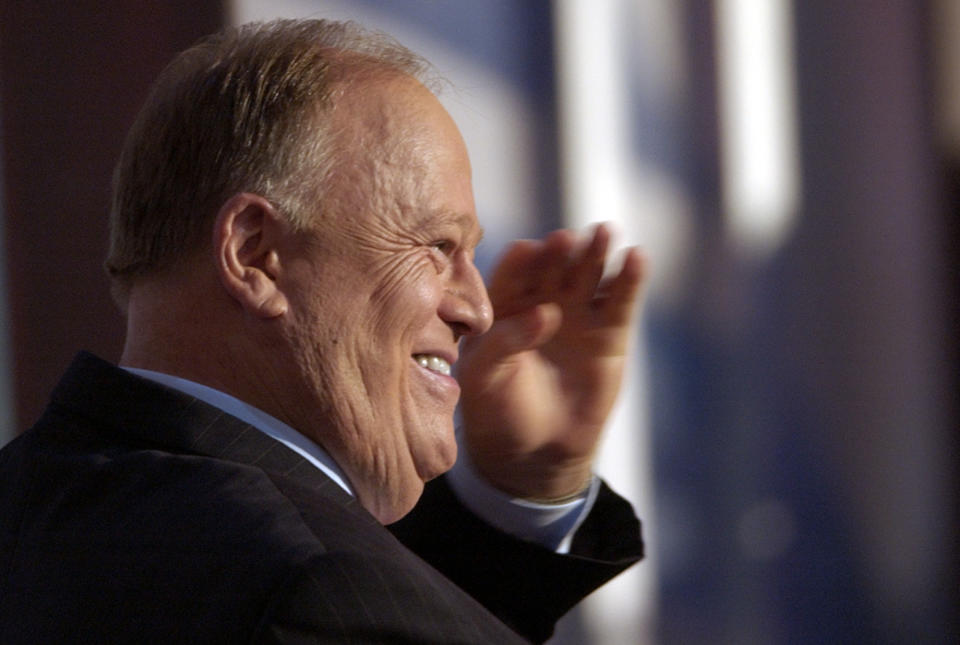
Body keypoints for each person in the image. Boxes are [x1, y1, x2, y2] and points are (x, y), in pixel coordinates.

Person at [0, 18, 645, 644]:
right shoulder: (306, 588)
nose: (476, 309)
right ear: (255, 256)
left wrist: (514, 489)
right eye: (437, 245)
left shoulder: (42, 517)